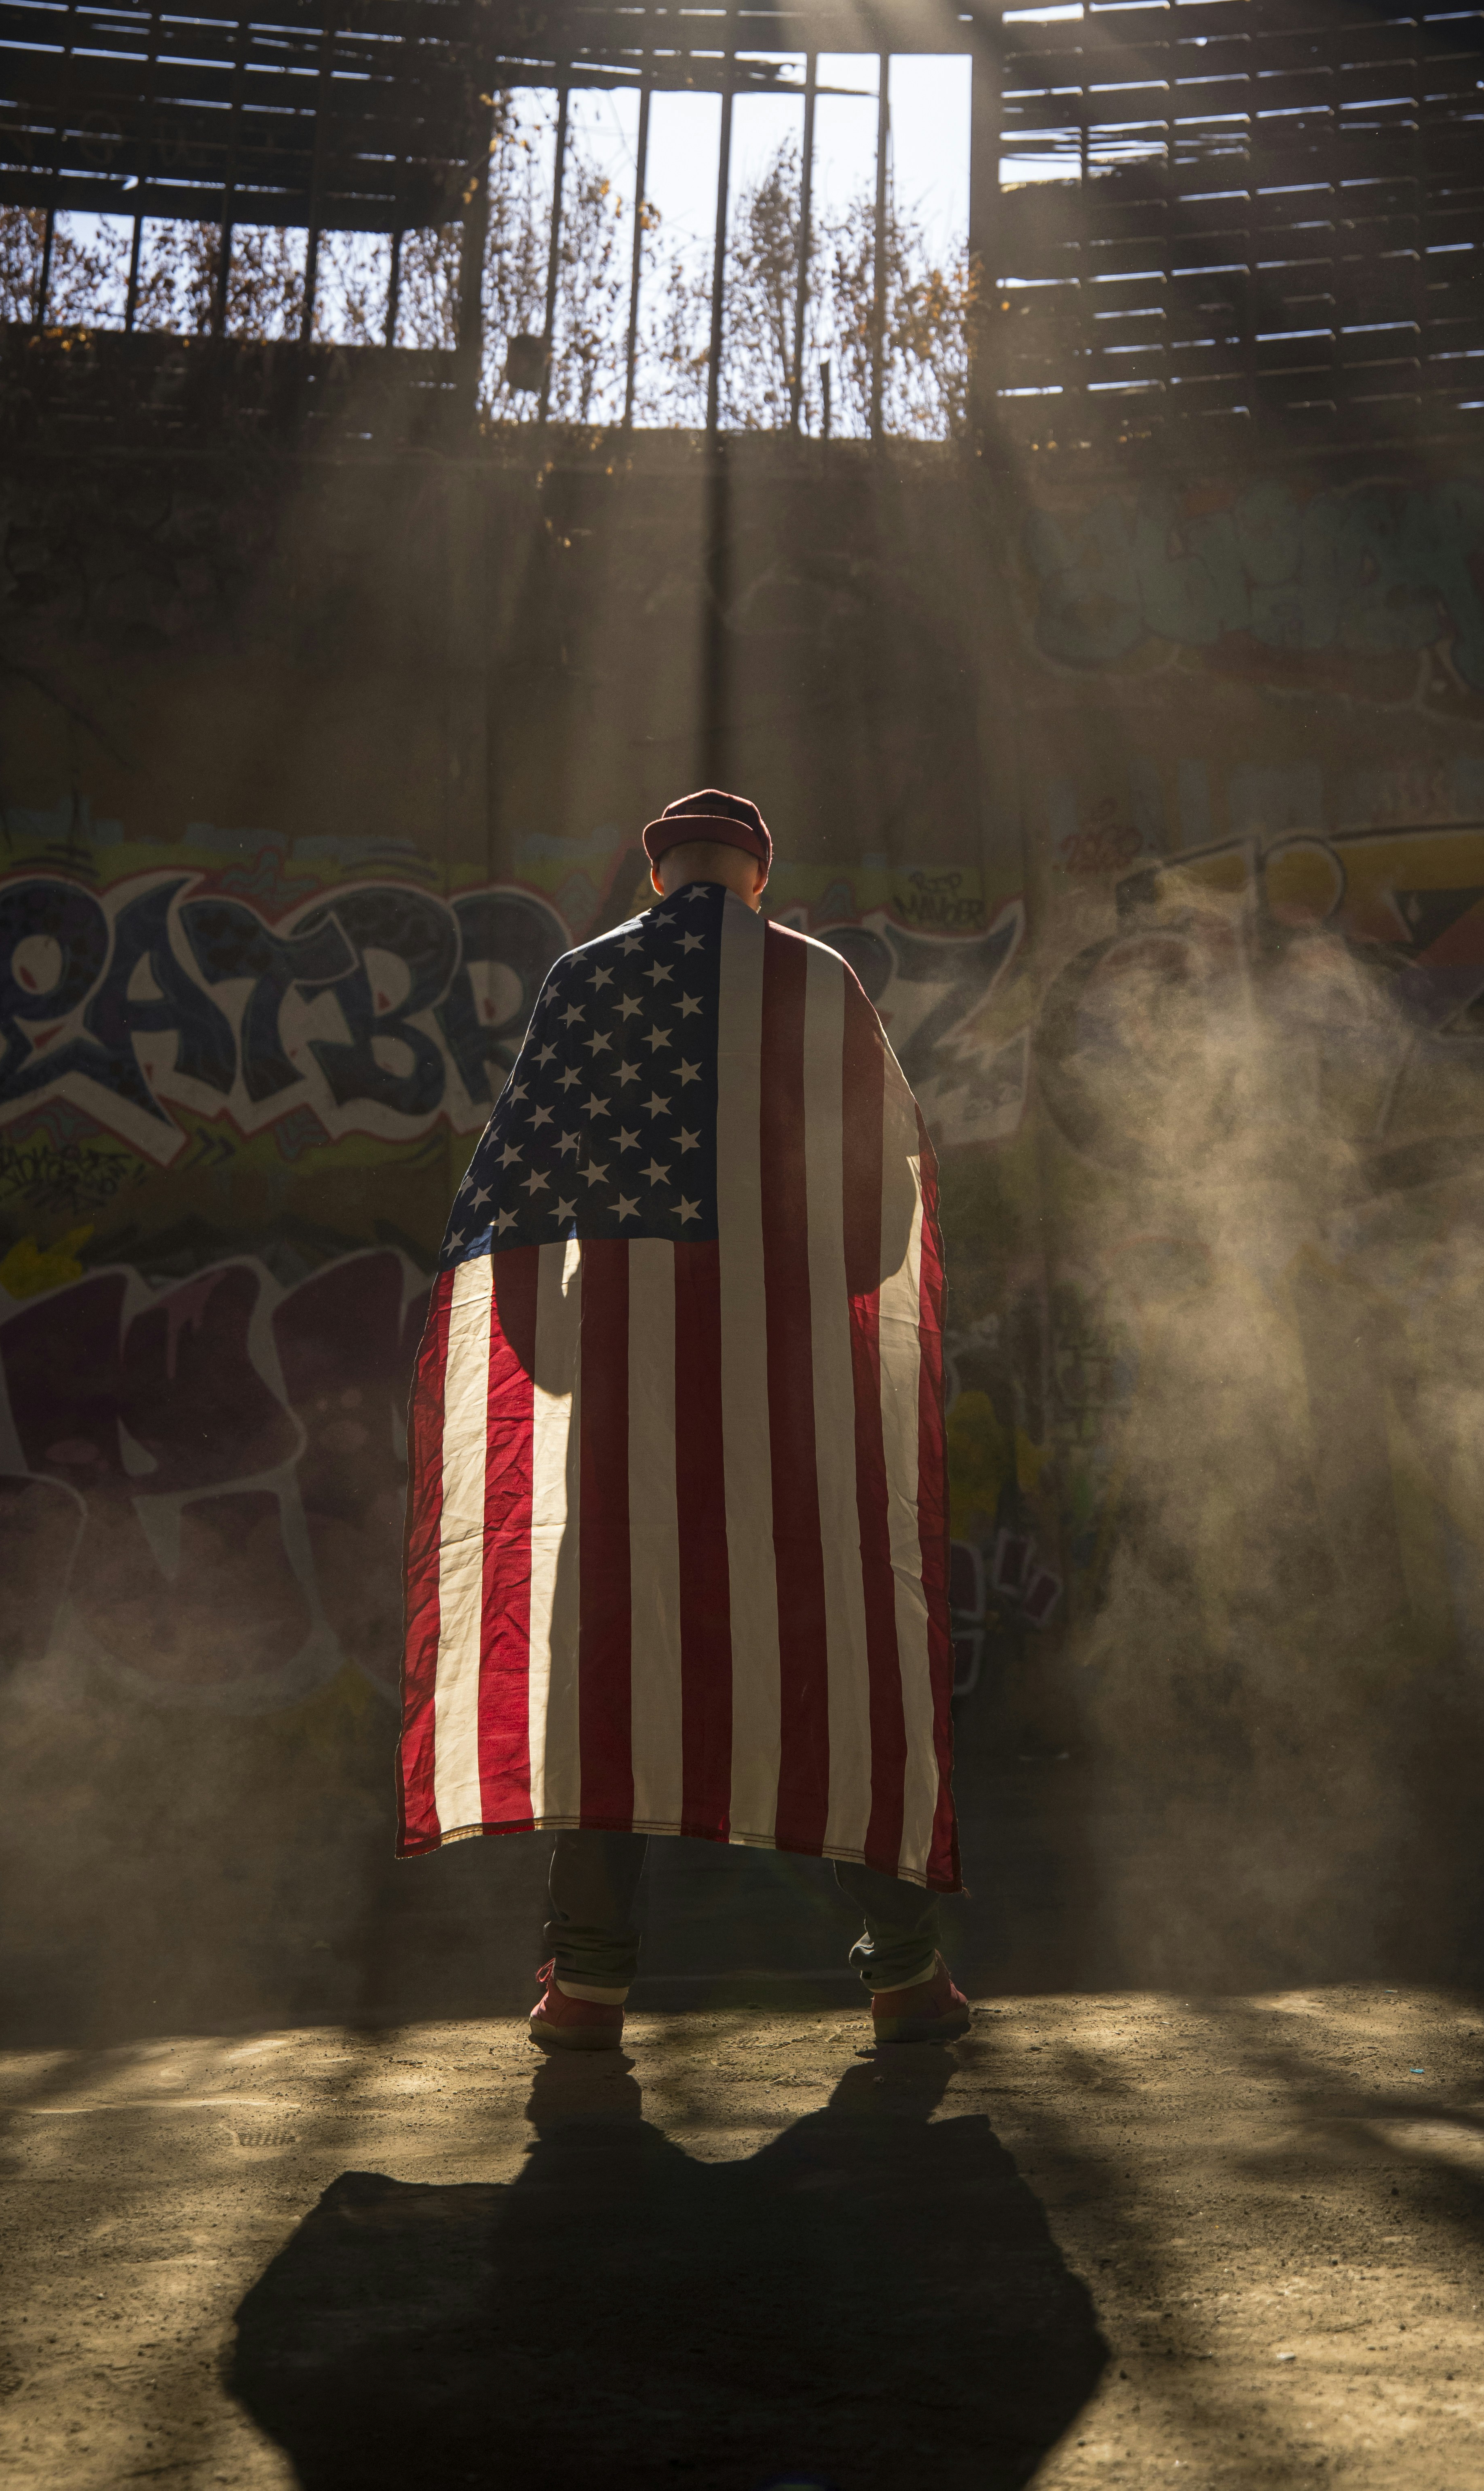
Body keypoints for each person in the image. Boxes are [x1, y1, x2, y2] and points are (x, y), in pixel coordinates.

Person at [399, 788, 966, 2049]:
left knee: (612, 1675)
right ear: (759, 874)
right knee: (819, 1664)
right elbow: (886, 1209)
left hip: (622, 1402)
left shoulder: (585, 982)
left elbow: (517, 1190)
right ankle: (902, 1975)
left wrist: (548, 1368)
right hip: (796, 1407)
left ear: (655, 875)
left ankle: (588, 1992)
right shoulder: (823, 987)